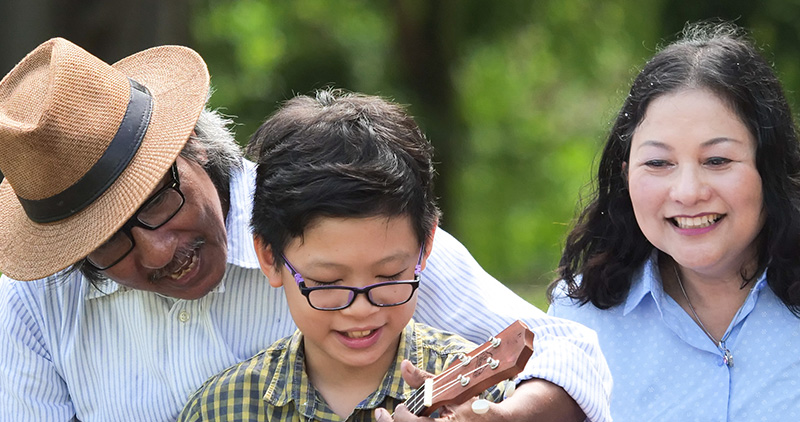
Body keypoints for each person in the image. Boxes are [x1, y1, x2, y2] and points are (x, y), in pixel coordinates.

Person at [0, 38, 610, 422]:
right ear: (71, 251)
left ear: (190, 148)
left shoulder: (328, 216)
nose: (161, 250)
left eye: (161, 201)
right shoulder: (33, 306)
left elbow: (565, 348)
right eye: (111, 241)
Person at [178, 90, 511, 421]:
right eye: (327, 281)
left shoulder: (487, 398)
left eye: (390, 275)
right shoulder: (221, 409)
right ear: (269, 257)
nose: (361, 309)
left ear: (426, 246)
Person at [548, 21, 800, 421]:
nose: (687, 191)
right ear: (625, 173)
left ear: (770, 166)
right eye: (658, 163)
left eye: (717, 160)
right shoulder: (580, 321)